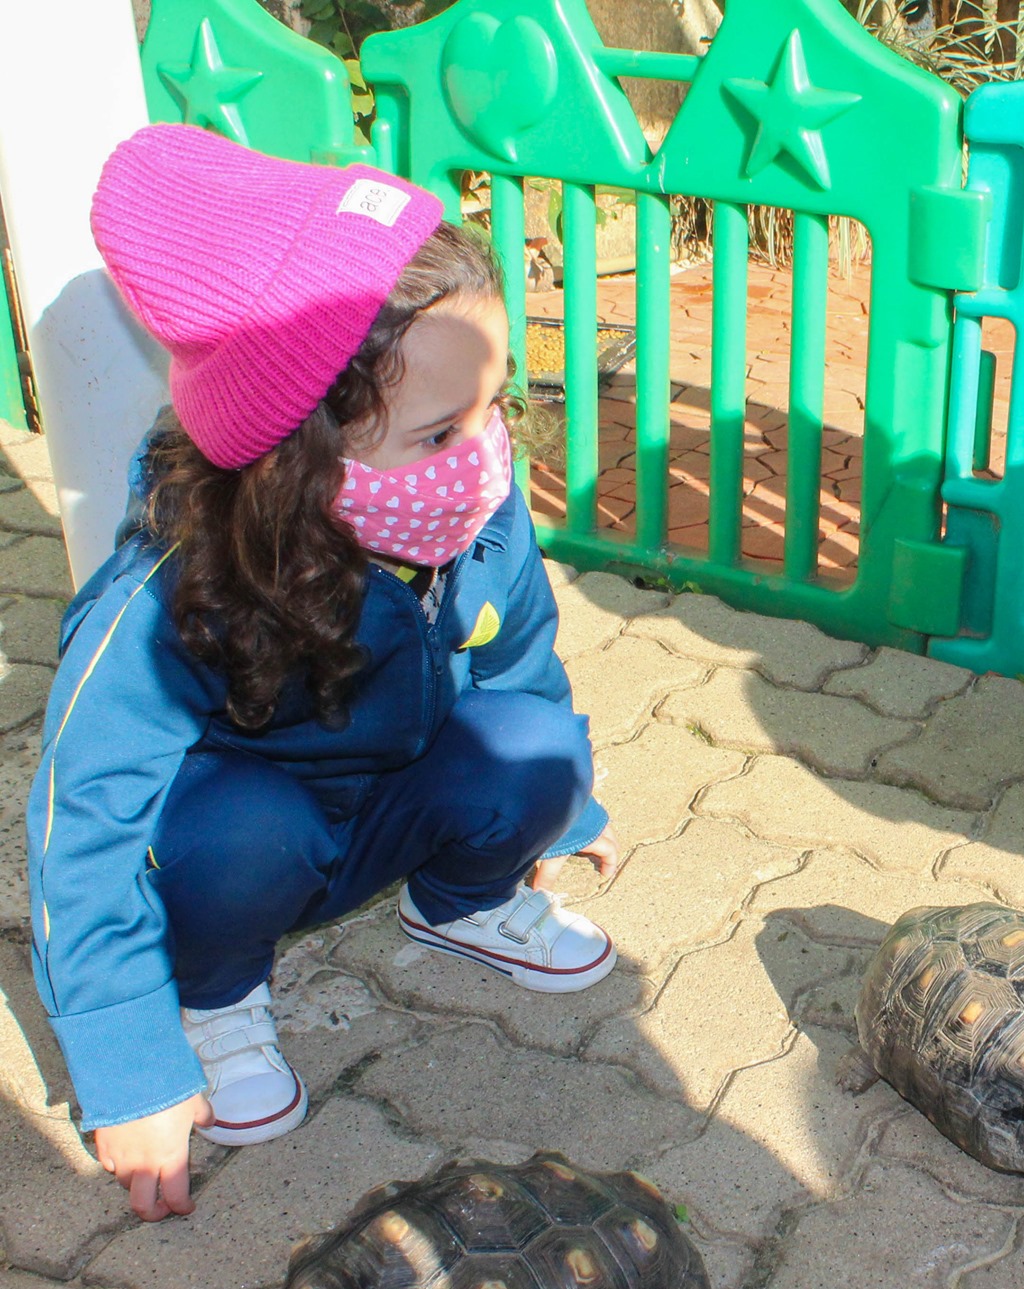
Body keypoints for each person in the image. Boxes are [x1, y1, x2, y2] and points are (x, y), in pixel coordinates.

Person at [32, 125, 620, 1224]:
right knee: (245, 828)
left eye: (494, 405)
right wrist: (125, 1061)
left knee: (539, 748)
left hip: (384, 801)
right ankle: (214, 996)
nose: (485, 453)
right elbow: (85, 822)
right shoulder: (174, 589)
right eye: (442, 429)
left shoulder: (468, 497)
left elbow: (521, 656)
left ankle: (461, 903)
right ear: (297, 450)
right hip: (239, 849)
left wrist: (560, 808)